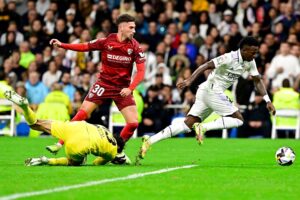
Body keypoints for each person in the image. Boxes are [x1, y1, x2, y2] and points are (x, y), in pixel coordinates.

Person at [137, 37, 276, 161]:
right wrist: (189, 80)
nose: (255, 55)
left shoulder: (250, 61)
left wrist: (268, 100)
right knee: (238, 119)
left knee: (187, 125)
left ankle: (150, 140)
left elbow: (257, 80)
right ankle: (203, 127)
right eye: (253, 52)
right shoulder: (229, 57)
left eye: (256, 52)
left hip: (208, 91)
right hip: (211, 90)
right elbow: (206, 65)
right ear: (244, 50)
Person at [47, 14, 145, 161]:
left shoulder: (135, 47)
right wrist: (62, 45)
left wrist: (130, 88)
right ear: (122, 27)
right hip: (103, 84)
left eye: (134, 28)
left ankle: (117, 151)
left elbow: (141, 72)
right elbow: (84, 46)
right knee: (82, 114)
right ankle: (59, 143)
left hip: (122, 89)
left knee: (132, 123)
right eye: (131, 27)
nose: (134, 31)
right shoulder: (106, 41)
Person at [3, 90, 125, 166]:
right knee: (76, 162)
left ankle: (25, 107)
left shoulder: (104, 129)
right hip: (80, 142)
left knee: (35, 124)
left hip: (75, 126)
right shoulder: (113, 151)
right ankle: (47, 161)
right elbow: (96, 163)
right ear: (118, 147)